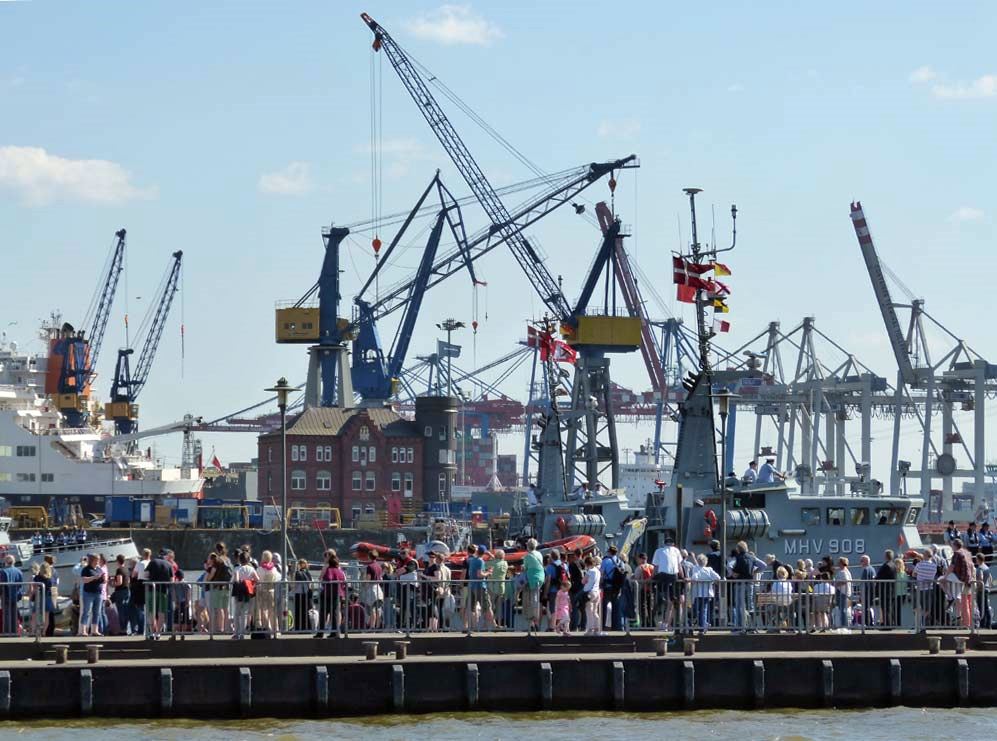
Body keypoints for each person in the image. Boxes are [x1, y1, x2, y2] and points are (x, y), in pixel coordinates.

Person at [651, 536, 683, 630]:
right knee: (672, 600)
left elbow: (656, 567)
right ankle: (669, 623)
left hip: (663, 576)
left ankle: (663, 621)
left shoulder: (658, 551)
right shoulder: (676, 551)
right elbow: (679, 566)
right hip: (674, 576)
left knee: (663, 599)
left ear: (664, 543)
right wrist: (683, 576)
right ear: (673, 544)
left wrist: (651, 577)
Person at [688, 553, 720, 634]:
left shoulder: (696, 568)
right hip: (707, 593)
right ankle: (703, 627)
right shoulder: (709, 569)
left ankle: (699, 625)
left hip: (698, 594)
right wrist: (712, 582)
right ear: (706, 562)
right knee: (704, 610)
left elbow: (694, 578)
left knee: (696, 610)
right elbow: (718, 577)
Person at [144, 550, 174, 638]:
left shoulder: (153, 562)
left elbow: (145, 575)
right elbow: (172, 580)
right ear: (165, 556)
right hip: (164, 591)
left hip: (151, 590)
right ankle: (158, 633)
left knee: (151, 611)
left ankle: (152, 632)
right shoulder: (169, 565)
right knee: (162, 612)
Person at [231, 551, 258, 639]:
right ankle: (243, 633)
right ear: (248, 560)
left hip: (238, 593)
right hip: (247, 593)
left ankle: (236, 633)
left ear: (240, 559)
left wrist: (237, 581)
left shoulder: (237, 569)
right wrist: (251, 583)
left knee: (236, 613)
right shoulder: (251, 569)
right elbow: (257, 579)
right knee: (245, 613)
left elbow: (236, 580)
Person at [318, 553, 346, 638]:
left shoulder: (329, 570)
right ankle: (334, 632)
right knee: (335, 614)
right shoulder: (340, 571)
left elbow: (327, 579)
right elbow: (344, 581)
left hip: (327, 594)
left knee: (323, 613)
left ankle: (320, 632)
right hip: (338, 594)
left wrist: (323, 584)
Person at [948, 538, 974, 629]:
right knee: (969, 602)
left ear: (955, 545)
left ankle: (965, 624)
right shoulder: (967, 553)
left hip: (961, 579)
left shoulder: (957, 553)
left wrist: (945, 576)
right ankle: (970, 623)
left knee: (963, 602)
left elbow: (952, 566)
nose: (951, 547)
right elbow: (971, 566)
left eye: (952, 545)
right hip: (969, 580)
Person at [78, 553, 104, 637]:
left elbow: (102, 579)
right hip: (88, 593)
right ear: (93, 560)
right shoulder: (86, 569)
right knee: (86, 612)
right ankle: (83, 631)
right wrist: (93, 577)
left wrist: (103, 579)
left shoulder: (99, 569)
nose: (98, 561)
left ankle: (94, 631)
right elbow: (84, 580)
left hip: (98, 593)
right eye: (97, 560)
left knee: (97, 612)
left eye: (99, 560)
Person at [600, 546, 625, 631]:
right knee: (616, 606)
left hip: (607, 586)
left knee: (604, 606)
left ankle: (603, 626)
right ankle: (617, 626)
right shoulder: (620, 561)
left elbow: (602, 573)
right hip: (617, 587)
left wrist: (600, 584)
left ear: (609, 552)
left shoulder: (605, 561)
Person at [522, 539, 544, 633]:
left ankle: (533, 623)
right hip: (540, 577)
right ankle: (534, 623)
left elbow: (525, 568)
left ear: (528, 546)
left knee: (531, 601)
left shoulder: (527, 556)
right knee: (535, 599)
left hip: (532, 579)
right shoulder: (539, 554)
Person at [256, 550, 280, 637]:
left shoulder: (260, 569)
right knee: (272, 611)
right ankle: (276, 629)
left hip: (262, 591)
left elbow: (257, 579)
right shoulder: (274, 569)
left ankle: (268, 627)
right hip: (272, 590)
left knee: (263, 610)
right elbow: (278, 578)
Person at [484, 549, 508, 629]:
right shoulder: (505, 563)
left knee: (490, 606)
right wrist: (492, 556)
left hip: (492, 587)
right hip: (501, 588)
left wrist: (490, 555)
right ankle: (498, 624)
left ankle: (488, 625)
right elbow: (498, 561)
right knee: (498, 607)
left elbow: (484, 565)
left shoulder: (491, 563)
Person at [875, 550, 897, 628]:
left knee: (885, 608)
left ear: (886, 556)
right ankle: (890, 624)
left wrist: (875, 579)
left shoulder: (886, 566)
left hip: (885, 590)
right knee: (889, 608)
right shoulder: (894, 565)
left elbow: (879, 577)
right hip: (892, 590)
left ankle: (887, 625)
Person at [33, 562, 56, 637]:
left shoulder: (37, 578)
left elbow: (34, 588)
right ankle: (44, 632)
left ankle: (34, 631)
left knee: (34, 615)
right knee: (46, 617)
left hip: (39, 597)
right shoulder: (50, 579)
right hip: (48, 598)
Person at [363, 551, 384, 630]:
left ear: (369, 556)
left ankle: (372, 626)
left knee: (372, 608)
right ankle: (378, 626)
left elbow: (368, 578)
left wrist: (365, 587)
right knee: (378, 608)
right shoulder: (379, 566)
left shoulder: (369, 566)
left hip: (372, 588)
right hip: (378, 588)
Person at [111, 554, 131, 634]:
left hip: (120, 592)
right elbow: (128, 581)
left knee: (121, 611)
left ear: (117, 561)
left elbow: (119, 582)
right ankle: (126, 629)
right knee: (125, 610)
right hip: (127, 591)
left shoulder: (119, 570)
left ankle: (122, 629)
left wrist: (112, 584)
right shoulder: (126, 570)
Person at [581, 555, 601, 636]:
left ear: (587, 564)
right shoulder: (598, 571)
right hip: (597, 592)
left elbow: (583, 581)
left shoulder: (590, 571)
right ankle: (597, 629)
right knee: (595, 612)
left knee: (589, 611)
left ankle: (590, 629)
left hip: (590, 593)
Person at [292, 559, 313, 633]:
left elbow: (294, 583)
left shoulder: (300, 573)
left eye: (302, 563)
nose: (301, 565)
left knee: (302, 611)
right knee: (303, 611)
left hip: (301, 593)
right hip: (303, 593)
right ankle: (304, 628)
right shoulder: (306, 573)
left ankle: (301, 628)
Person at [974, 553, 992, 629]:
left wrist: (977, 589)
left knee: (981, 607)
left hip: (981, 590)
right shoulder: (986, 567)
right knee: (986, 607)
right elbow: (990, 578)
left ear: (978, 559)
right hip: (987, 588)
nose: (975, 560)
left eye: (976, 559)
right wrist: (989, 586)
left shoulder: (980, 568)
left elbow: (980, 578)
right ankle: (988, 624)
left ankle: (982, 625)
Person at [833, 557, 852, 628]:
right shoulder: (845, 571)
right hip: (843, 592)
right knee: (842, 609)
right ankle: (843, 624)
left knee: (843, 609)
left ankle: (844, 625)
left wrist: (836, 584)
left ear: (841, 563)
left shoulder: (843, 572)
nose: (837, 564)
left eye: (838, 562)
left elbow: (845, 581)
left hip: (843, 592)